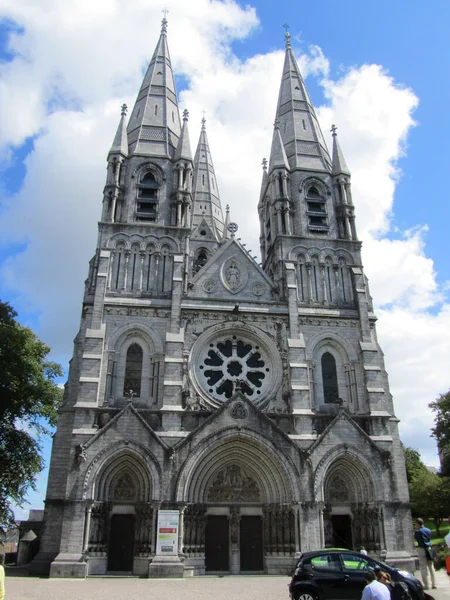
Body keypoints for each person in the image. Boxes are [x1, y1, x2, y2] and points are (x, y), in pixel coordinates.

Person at [414, 517, 436, 590]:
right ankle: (434, 584)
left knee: (423, 567)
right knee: (431, 567)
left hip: (422, 549)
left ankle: (426, 585)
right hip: (429, 549)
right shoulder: (428, 530)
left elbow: (416, 539)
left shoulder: (418, 531)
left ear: (417, 523)